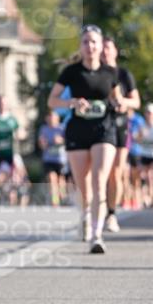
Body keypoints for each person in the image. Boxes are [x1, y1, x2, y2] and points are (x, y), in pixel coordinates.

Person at [47, 25, 124, 253]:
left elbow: (118, 100)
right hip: (78, 131)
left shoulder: (110, 73)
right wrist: (71, 103)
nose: (90, 46)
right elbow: (52, 101)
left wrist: (118, 104)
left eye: (94, 42)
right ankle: (86, 214)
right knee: (83, 186)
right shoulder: (71, 72)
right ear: (80, 47)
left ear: (101, 47)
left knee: (99, 181)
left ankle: (97, 236)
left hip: (104, 130)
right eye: (85, 42)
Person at [101, 36, 141, 231]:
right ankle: (96, 208)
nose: (105, 52)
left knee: (115, 172)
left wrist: (124, 102)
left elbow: (136, 102)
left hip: (119, 125)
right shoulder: (94, 73)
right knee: (100, 172)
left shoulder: (124, 75)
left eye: (108, 48)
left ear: (115, 51)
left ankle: (111, 213)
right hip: (99, 125)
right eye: (103, 48)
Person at [38, 110, 68, 206]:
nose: (51, 120)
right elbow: (41, 143)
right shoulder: (44, 129)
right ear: (47, 119)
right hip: (48, 159)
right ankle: (55, 200)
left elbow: (68, 142)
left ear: (57, 119)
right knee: (52, 179)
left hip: (61, 160)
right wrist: (43, 143)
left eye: (53, 118)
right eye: (49, 118)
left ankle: (63, 196)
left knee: (61, 181)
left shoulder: (62, 128)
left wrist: (61, 140)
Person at [0, 97, 22, 175]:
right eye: (0, 103)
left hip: (11, 154)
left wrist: (20, 135)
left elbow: (19, 132)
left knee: (18, 175)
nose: (2, 105)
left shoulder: (12, 119)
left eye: (4, 103)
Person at [136, 103, 153, 209]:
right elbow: (137, 140)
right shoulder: (142, 126)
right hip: (144, 154)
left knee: (152, 178)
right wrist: (140, 138)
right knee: (143, 177)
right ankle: (144, 199)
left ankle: (152, 200)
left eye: (150, 113)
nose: (148, 115)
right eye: (147, 112)